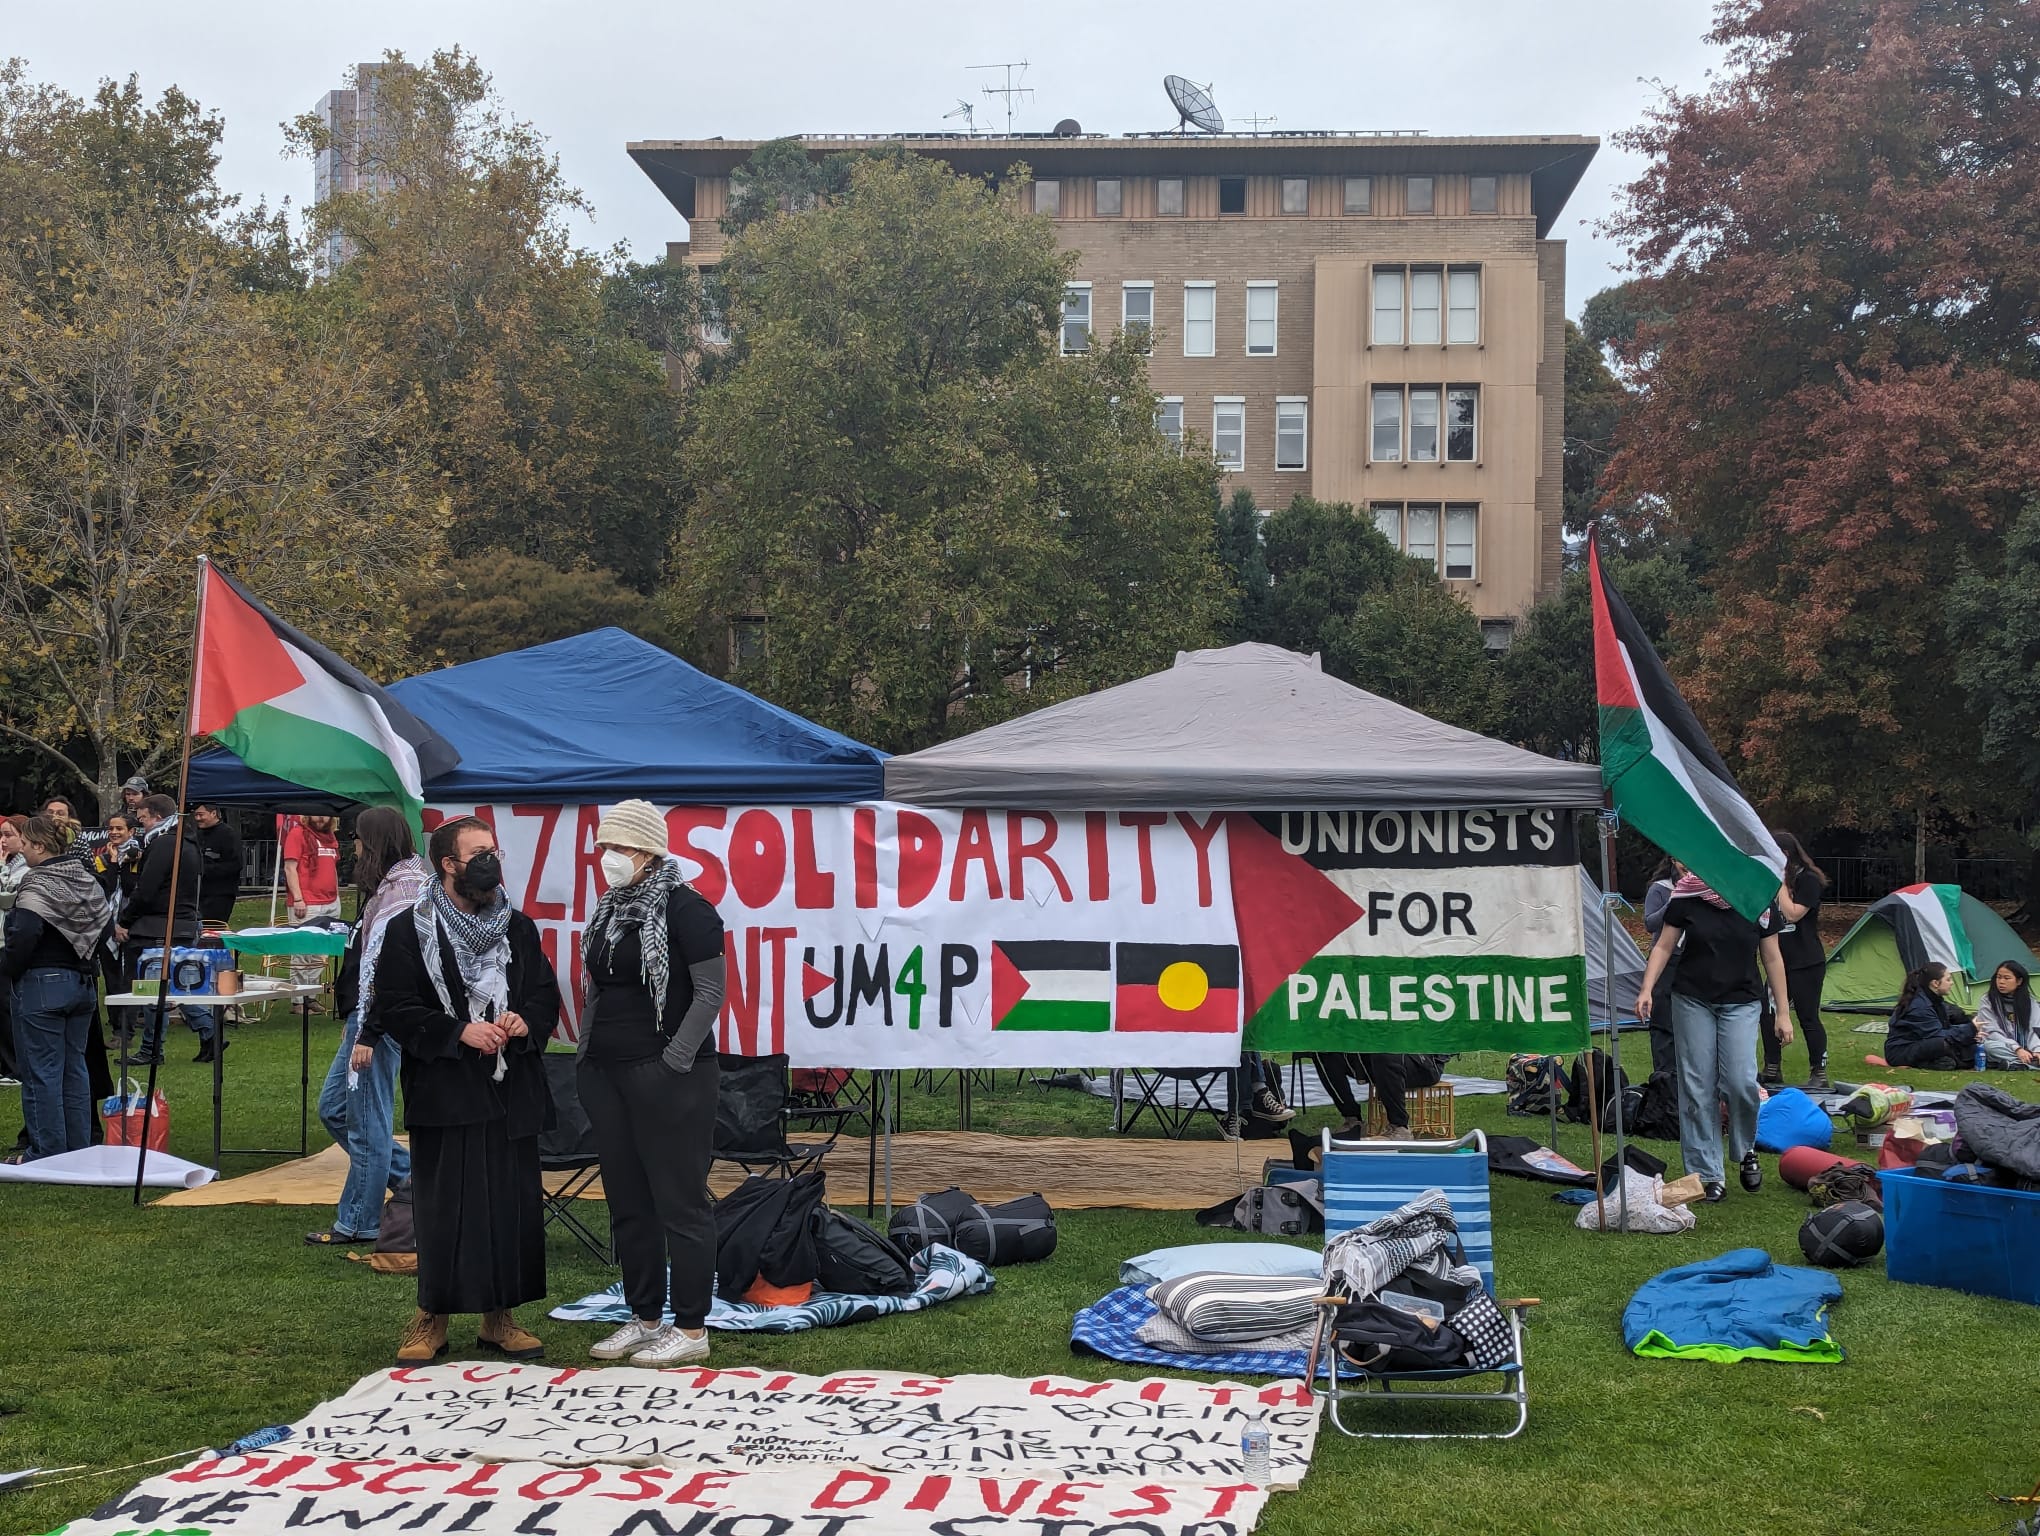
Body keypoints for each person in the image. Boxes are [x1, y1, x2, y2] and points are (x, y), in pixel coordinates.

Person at [371, 815, 560, 1364]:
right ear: (448, 864)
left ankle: (499, 1316)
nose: (490, 861)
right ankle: (432, 1315)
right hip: (446, 1089)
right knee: (445, 1207)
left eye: (493, 851)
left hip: (509, 1090)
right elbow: (396, 1007)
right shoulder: (410, 929)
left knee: (510, 1206)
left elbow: (544, 993)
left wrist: (525, 1021)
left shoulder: (517, 928)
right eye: (478, 853)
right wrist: (457, 1031)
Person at [576, 799, 727, 1365]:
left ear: (646, 851)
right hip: (607, 1072)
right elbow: (596, 989)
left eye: (618, 848)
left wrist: (673, 1064)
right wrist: (586, 1056)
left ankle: (691, 1328)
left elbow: (709, 994)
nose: (607, 859)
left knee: (679, 1202)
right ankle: (643, 1317)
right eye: (604, 848)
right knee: (628, 1202)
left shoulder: (690, 910)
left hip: (670, 1075)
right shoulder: (609, 912)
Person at [309, 808, 430, 1247]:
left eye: (357, 839)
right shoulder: (392, 887)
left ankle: (359, 1221)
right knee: (336, 1109)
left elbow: (389, 971)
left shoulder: (402, 893)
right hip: (366, 1016)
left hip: (376, 1021)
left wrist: (369, 1030)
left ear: (374, 843)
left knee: (366, 1120)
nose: (352, 847)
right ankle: (409, 1178)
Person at [1637, 870, 1791, 1202]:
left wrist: (1782, 1012)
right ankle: (1707, 1174)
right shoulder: (1686, 895)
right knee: (1696, 1087)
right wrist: (1647, 988)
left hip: (1743, 1001)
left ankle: (1744, 1148)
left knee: (1740, 1081)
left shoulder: (1756, 897)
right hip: (1692, 998)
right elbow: (1664, 945)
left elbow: (1773, 956)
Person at [2, 817, 112, 1161]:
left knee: (41, 1073)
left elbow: (24, 935)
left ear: (38, 846)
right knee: (75, 1069)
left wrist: (7, 968)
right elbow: (104, 928)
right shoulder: (84, 877)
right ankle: (78, 1148)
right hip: (83, 983)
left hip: (43, 984)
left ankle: (46, 1152)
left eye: (25, 843)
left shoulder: (38, 882)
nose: (20, 847)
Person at [121, 795, 217, 1065]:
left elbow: (147, 890)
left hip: (159, 925)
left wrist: (125, 920)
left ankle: (152, 1049)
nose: (141, 827)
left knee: (155, 989)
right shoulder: (187, 843)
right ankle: (209, 1030)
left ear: (156, 816)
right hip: (182, 923)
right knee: (175, 986)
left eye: (142, 820)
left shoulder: (165, 845)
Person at [1761, 832, 1831, 1092]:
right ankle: (1772, 1066)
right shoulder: (1772, 880)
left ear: (1785, 854)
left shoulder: (1808, 880)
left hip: (1807, 961)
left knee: (1807, 1016)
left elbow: (1792, 915)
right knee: (1768, 1012)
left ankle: (1819, 1070)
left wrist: (1779, 885)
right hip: (1778, 960)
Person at [1314, 1052, 1447, 1139]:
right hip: (1369, 1053)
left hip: (1423, 1060)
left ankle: (1400, 1127)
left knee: (1385, 1052)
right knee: (1323, 1052)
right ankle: (1353, 1122)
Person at [1878, 963, 1980, 1071]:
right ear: (1935, 983)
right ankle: (1931, 1062)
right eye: (1948, 980)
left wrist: (1971, 1031)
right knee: (1942, 1043)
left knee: (1970, 1045)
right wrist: (1970, 1029)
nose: (1952, 983)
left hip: (1921, 1043)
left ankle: (1946, 1061)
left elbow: (1946, 1028)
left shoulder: (1934, 1000)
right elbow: (1938, 1035)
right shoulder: (1920, 1006)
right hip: (1900, 1052)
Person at [283, 813, 342, 988]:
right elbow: (290, 868)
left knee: (322, 951)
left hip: (331, 901)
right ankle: (299, 999)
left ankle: (311, 994)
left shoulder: (330, 837)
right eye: (316, 815)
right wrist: (298, 899)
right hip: (307, 902)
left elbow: (333, 868)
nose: (320, 819)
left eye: (325, 815)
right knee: (302, 950)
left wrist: (336, 896)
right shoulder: (298, 833)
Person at [1641, 858, 1685, 1077]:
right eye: (1680, 861)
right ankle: (1664, 1075)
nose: (1685, 865)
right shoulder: (1660, 889)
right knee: (1663, 1021)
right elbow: (1650, 923)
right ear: (1672, 861)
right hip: (1665, 963)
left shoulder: (1704, 886)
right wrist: (1674, 902)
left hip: (1690, 961)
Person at [1975, 960, 2039, 1069]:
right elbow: (1992, 1032)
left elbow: (2035, 1029)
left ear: (2019, 981)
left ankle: (2017, 1064)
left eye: (2007, 978)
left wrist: (2037, 1049)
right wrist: (2017, 1048)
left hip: (2027, 1047)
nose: (2001, 982)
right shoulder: (1988, 1000)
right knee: (1989, 1046)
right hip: (2003, 1045)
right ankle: (2031, 1064)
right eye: (1999, 977)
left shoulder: (2030, 1002)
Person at [190, 804, 244, 931]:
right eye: (196, 815)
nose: (197, 818)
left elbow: (235, 865)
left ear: (213, 813)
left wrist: (204, 870)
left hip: (220, 895)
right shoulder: (195, 834)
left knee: (213, 930)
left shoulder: (228, 834)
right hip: (197, 894)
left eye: (201, 814)